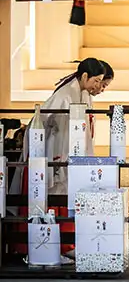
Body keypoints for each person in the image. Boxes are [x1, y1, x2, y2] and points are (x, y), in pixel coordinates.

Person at [8, 58, 107, 260]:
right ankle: (47, 248)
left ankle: (62, 246)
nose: (98, 86)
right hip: (52, 155)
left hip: (67, 154)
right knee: (50, 200)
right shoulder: (64, 96)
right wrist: (54, 153)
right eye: (96, 81)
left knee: (64, 200)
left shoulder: (81, 94)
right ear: (85, 76)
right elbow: (43, 122)